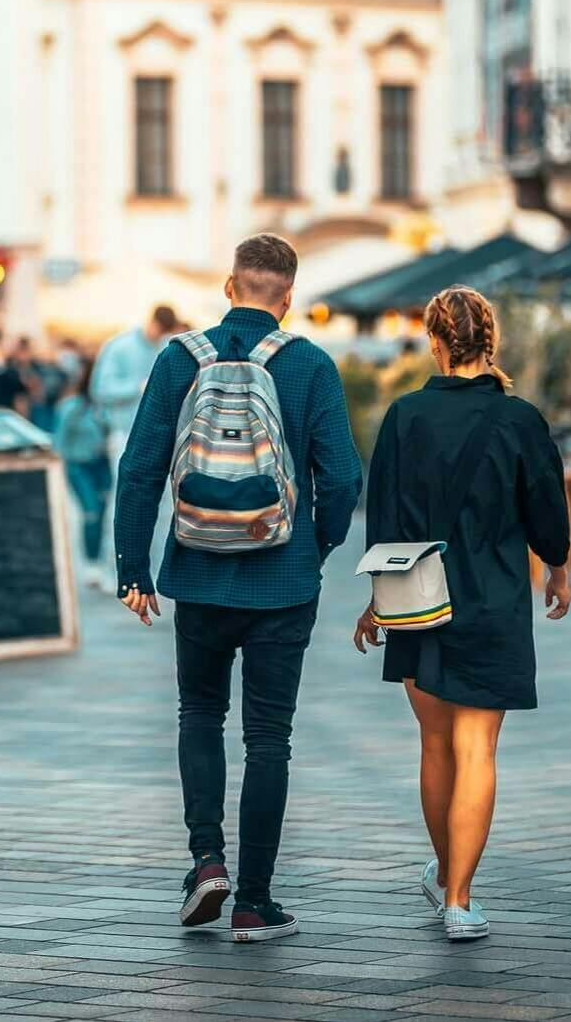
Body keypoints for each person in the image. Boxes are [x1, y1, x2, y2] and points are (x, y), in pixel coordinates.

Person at [116, 235, 361, 944]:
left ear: (229, 286)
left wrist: (133, 565)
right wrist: (319, 541)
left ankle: (205, 862)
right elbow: (341, 475)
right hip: (282, 577)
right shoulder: (309, 363)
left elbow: (139, 468)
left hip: (195, 569)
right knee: (268, 737)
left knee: (198, 711)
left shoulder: (177, 359)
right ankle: (254, 901)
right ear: (286, 298)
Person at [354, 286, 571, 943]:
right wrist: (556, 566)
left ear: (436, 341)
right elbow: (545, 508)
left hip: (417, 599)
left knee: (434, 744)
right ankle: (459, 896)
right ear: (490, 341)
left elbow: (383, 516)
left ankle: (447, 872)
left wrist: (375, 604)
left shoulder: (403, 416)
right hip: (492, 598)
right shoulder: (519, 418)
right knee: (476, 747)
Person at [94, 305, 181, 468]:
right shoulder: (119, 346)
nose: (161, 336)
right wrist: (137, 387)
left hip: (159, 435)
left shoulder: (166, 346)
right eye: (160, 330)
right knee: (124, 489)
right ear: (153, 322)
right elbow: (101, 389)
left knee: (162, 491)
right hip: (125, 433)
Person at [54, 355, 112, 577]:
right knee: (91, 512)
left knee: (104, 512)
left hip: (101, 464)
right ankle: (91, 563)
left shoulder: (103, 407)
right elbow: (59, 441)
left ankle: (99, 559)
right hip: (79, 466)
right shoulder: (71, 407)